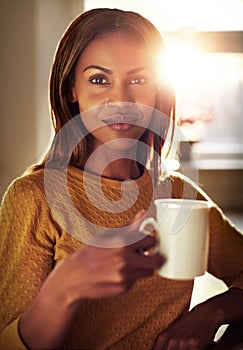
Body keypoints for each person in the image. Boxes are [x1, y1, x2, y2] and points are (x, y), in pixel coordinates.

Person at [0, 7, 243, 350]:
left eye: (138, 80)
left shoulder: (178, 194)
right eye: (99, 80)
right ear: (71, 89)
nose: (121, 100)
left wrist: (212, 312)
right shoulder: (32, 199)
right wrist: (65, 287)